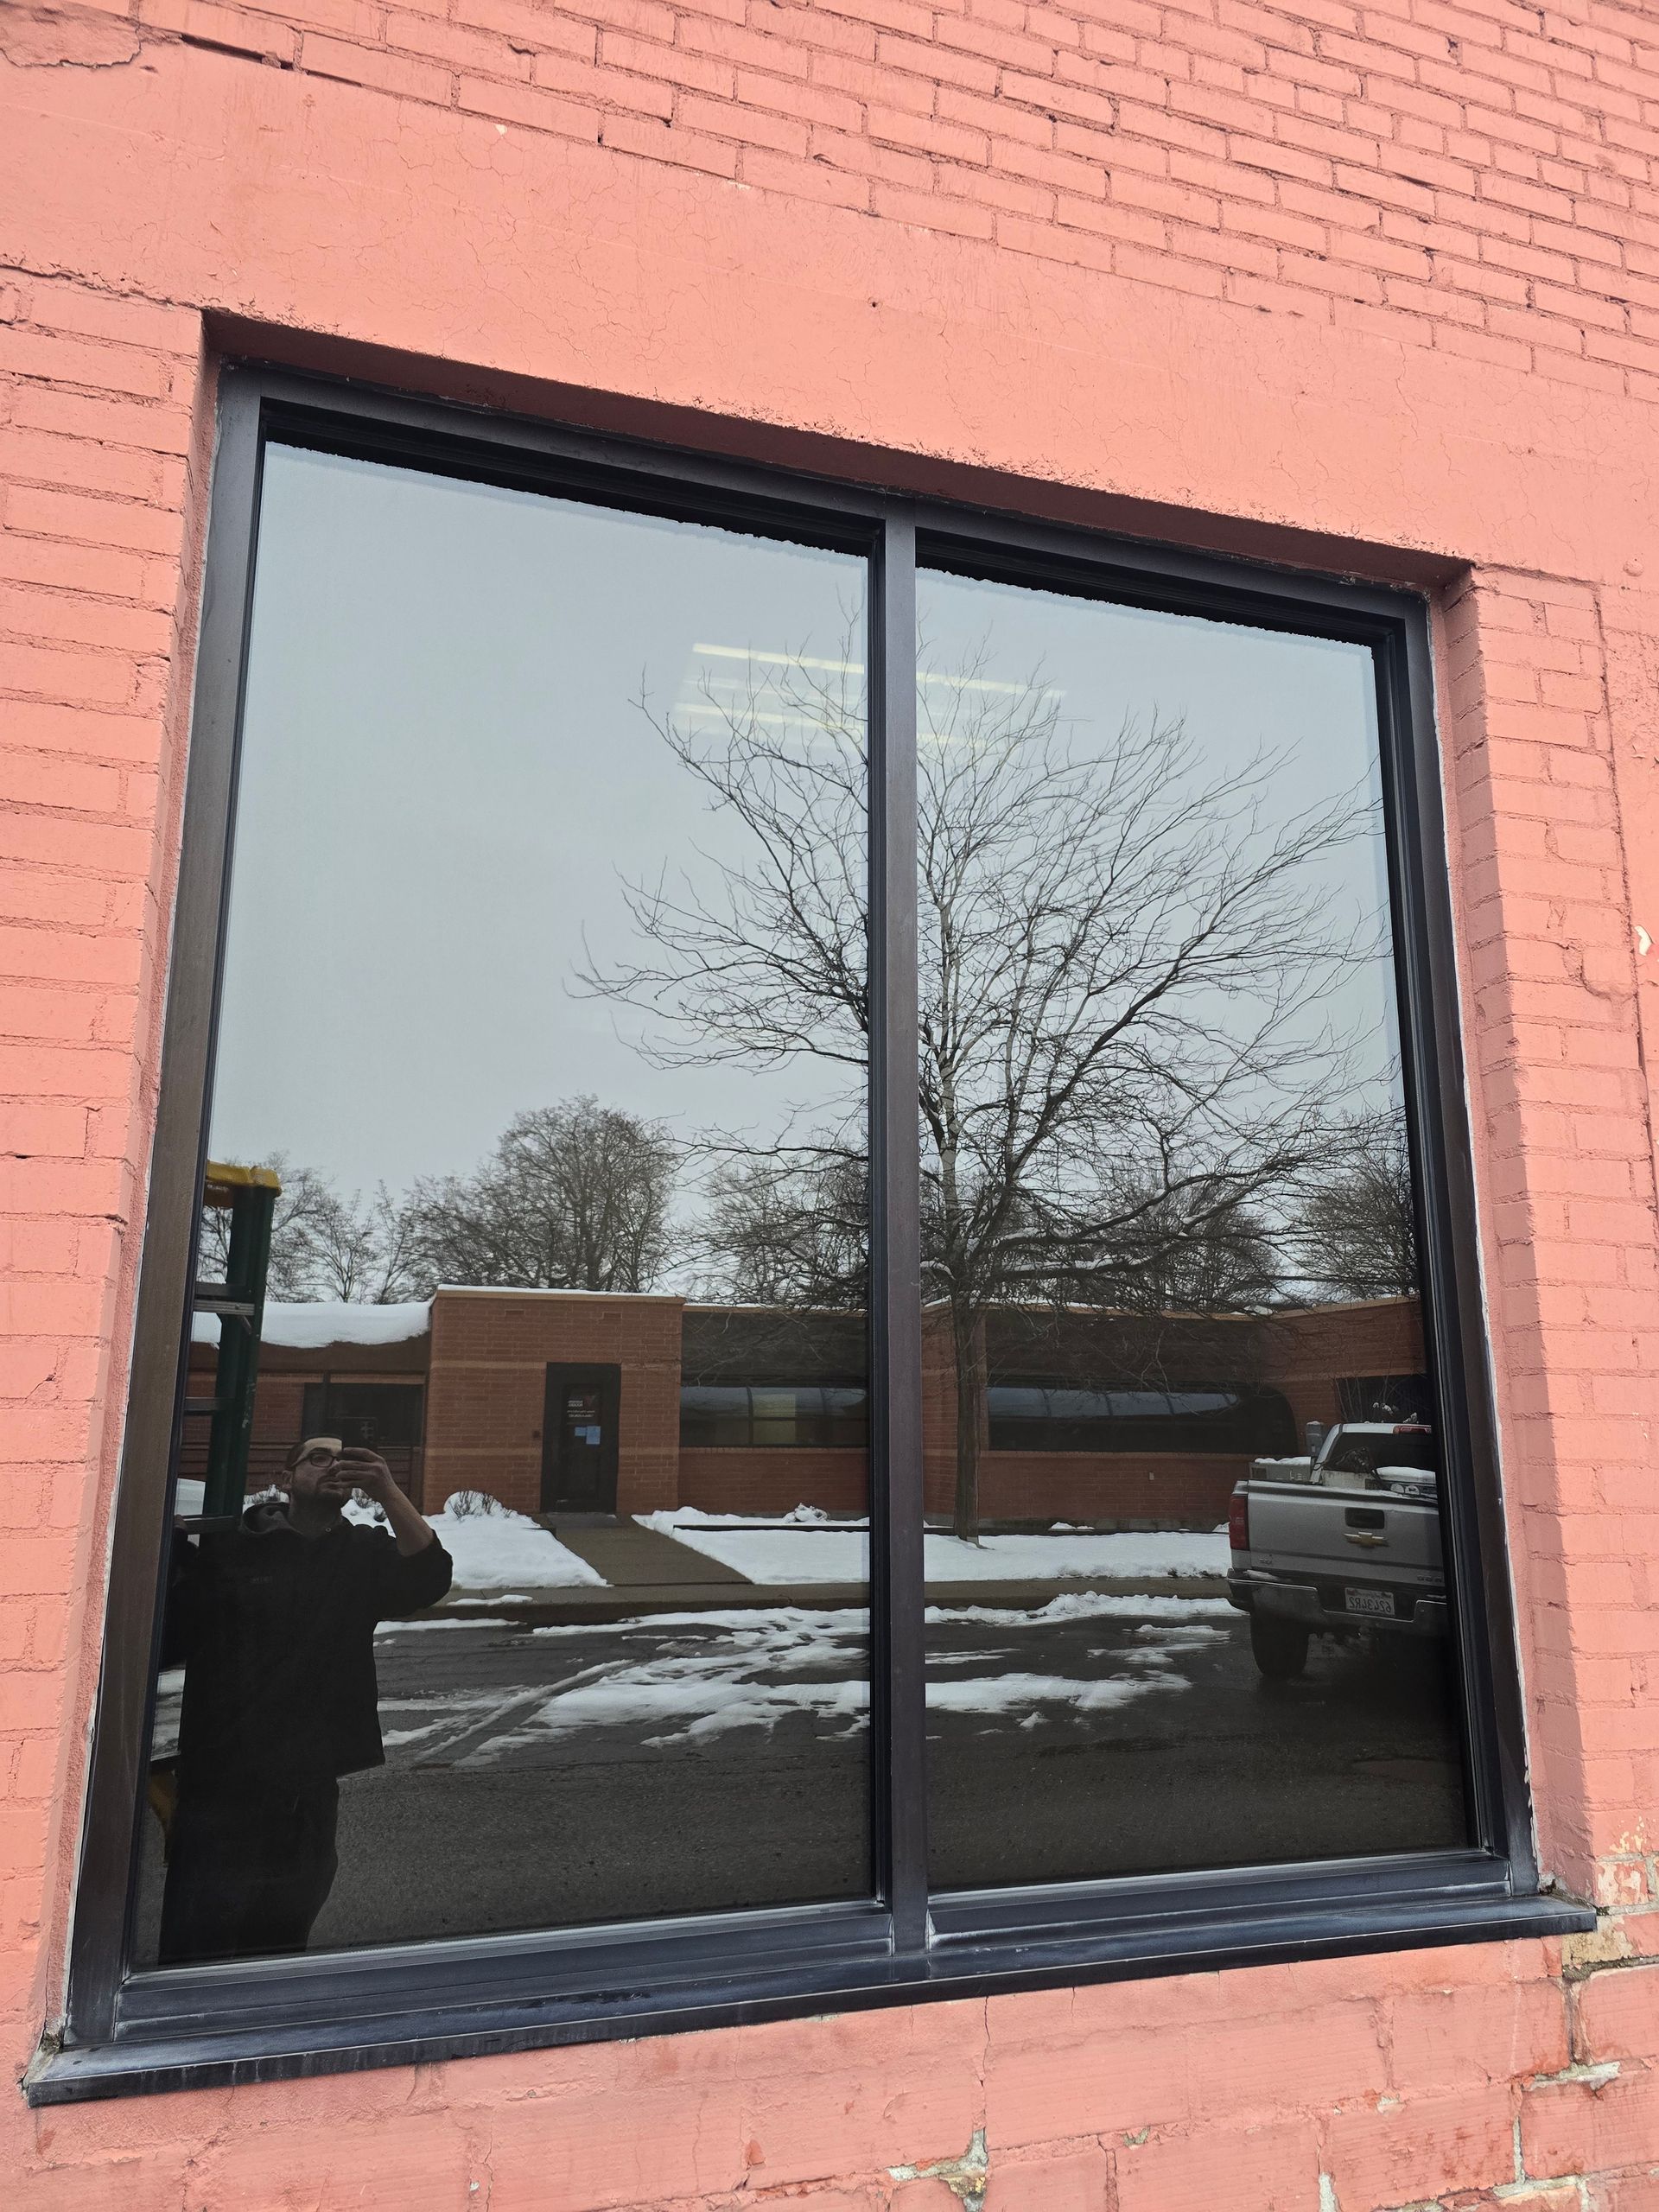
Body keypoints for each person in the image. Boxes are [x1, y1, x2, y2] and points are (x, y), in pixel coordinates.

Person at [156, 1439, 452, 1966]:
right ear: (286, 1477)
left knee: (281, 1940)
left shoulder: (360, 1553)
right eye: (318, 1457)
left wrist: (387, 1489)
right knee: (199, 1945)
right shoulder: (231, 1549)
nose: (334, 1465)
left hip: (308, 1786)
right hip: (220, 1784)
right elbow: (169, 1637)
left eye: (344, 1459)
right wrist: (170, 1555)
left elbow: (430, 1575)